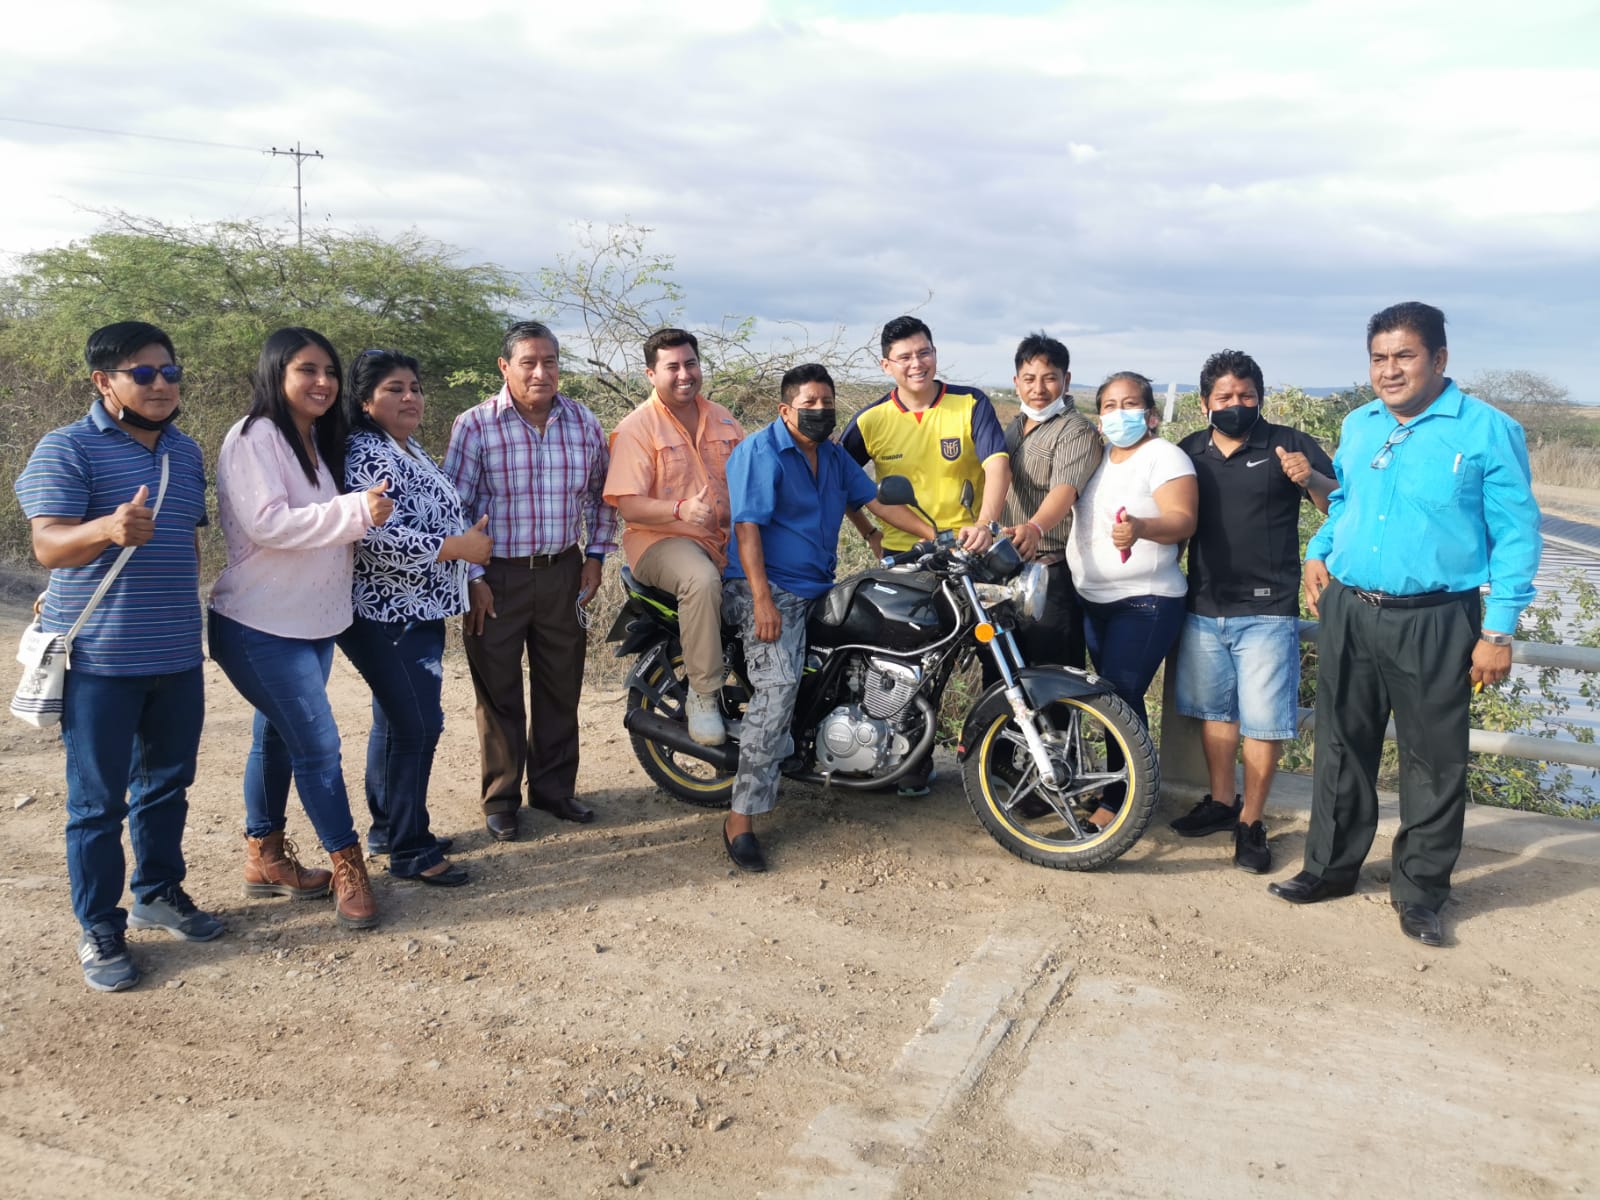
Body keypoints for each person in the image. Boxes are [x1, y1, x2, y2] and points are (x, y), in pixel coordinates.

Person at [1271, 302, 1541, 948]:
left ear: (1439, 359)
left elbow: (1516, 534)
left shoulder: (1486, 430)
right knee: (1340, 745)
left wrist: (1499, 630)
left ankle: (1420, 892)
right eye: (1379, 358)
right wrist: (1318, 551)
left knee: (1433, 760)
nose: (1389, 370)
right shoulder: (1360, 424)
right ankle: (1329, 868)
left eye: (1404, 356)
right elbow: (1344, 501)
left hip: (1436, 619)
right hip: (1349, 609)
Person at [14, 321, 221, 991]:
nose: (162, 385)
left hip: (176, 656)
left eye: (171, 372)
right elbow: (48, 545)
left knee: (166, 786)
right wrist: (107, 528)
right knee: (96, 804)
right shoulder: (65, 447)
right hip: (98, 662)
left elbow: (188, 543)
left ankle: (157, 893)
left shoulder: (185, 451)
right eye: (145, 373)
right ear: (104, 381)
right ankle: (100, 926)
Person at [209, 327, 394, 931]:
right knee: (316, 744)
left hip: (311, 619)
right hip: (258, 623)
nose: (322, 382)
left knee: (276, 737)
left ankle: (264, 856)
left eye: (330, 371)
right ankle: (348, 865)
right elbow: (268, 523)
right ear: (276, 373)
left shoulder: (315, 438)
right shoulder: (253, 436)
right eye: (307, 370)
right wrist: (356, 510)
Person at [720, 364, 934, 872]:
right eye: (809, 403)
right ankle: (740, 819)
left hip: (816, 585)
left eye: (827, 402)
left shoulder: (834, 456)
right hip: (764, 587)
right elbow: (747, 529)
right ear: (785, 409)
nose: (820, 411)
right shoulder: (760, 452)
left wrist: (936, 535)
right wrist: (762, 600)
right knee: (777, 689)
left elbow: (875, 501)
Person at [443, 321, 616, 843]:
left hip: (563, 571)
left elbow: (601, 496)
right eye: (528, 362)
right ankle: (501, 799)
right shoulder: (475, 425)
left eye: (550, 362)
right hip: (496, 577)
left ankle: (554, 789)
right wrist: (473, 577)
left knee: (560, 685)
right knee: (498, 691)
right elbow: (455, 508)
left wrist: (595, 556)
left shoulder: (583, 422)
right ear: (505, 367)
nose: (541, 372)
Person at [1170, 350, 1335, 873]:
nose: (1236, 404)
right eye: (1224, 396)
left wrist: (1310, 478)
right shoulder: (1188, 451)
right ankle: (1223, 803)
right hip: (1203, 604)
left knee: (1263, 722)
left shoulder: (1288, 443)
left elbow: (1339, 506)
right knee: (1217, 713)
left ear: (1259, 398)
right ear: (1204, 403)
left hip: (1268, 611)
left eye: (1246, 395)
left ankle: (1252, 822)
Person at [337, 349, 490, 886]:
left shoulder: (406, 447)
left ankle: (389, 830)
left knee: (395, 721)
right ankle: (410, 848)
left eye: (415, 388)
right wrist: (457, 548)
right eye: (395, 389)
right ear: (365, 401)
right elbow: (374, 537)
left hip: (420, 607)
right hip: (389, 610)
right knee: (417, 725)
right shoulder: (365, 452)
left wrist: (466, 559)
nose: (410, 398)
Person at [841, 315, 1011, 796]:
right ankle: (905, 760)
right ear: (886, 365)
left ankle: (999, 761)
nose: (916, 364)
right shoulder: (871, 420)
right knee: (906, 663)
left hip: (971, 553)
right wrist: (870, 532)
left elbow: (998, 465)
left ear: (935, 354)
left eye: (924, 352)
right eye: (904, 357)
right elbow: (838, 478)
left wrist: (986, 524)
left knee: (996, 655)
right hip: (907, 560)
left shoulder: (969, 403)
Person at [1065, 371, 1198, 827]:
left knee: (1118, 696)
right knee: (1110, 696)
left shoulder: (1164, 456)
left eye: (1129, 404)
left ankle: (1122, 800)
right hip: (1094, 600)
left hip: (1145, 600)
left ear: (1151, 414)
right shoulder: (1098, 458)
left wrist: (1141, 527)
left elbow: (1184, 519)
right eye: (1109, 406)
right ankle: (1122, 787)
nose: (1118, 413)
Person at [603, 328, 744, 747]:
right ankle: (703, 695)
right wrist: (680, 510)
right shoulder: (636, 428)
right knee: (700, 580)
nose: (684, 374)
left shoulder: (723, 419)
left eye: (691, 363)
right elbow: (629, 506)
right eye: (672, 367)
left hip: (724, 540)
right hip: (662, 541)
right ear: (651, 374)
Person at [997, 331, 1102, 671]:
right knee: (1002, 673)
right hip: (1006, 570)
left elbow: (1065, 489)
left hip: (1049, 572)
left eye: (1049, 378)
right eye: (1029, 379)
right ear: (1016, 382)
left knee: (1051, 677)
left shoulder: (1076, 430)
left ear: (1066, 380)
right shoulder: (1014, 427)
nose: (1038, 389)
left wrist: (1035, 527)